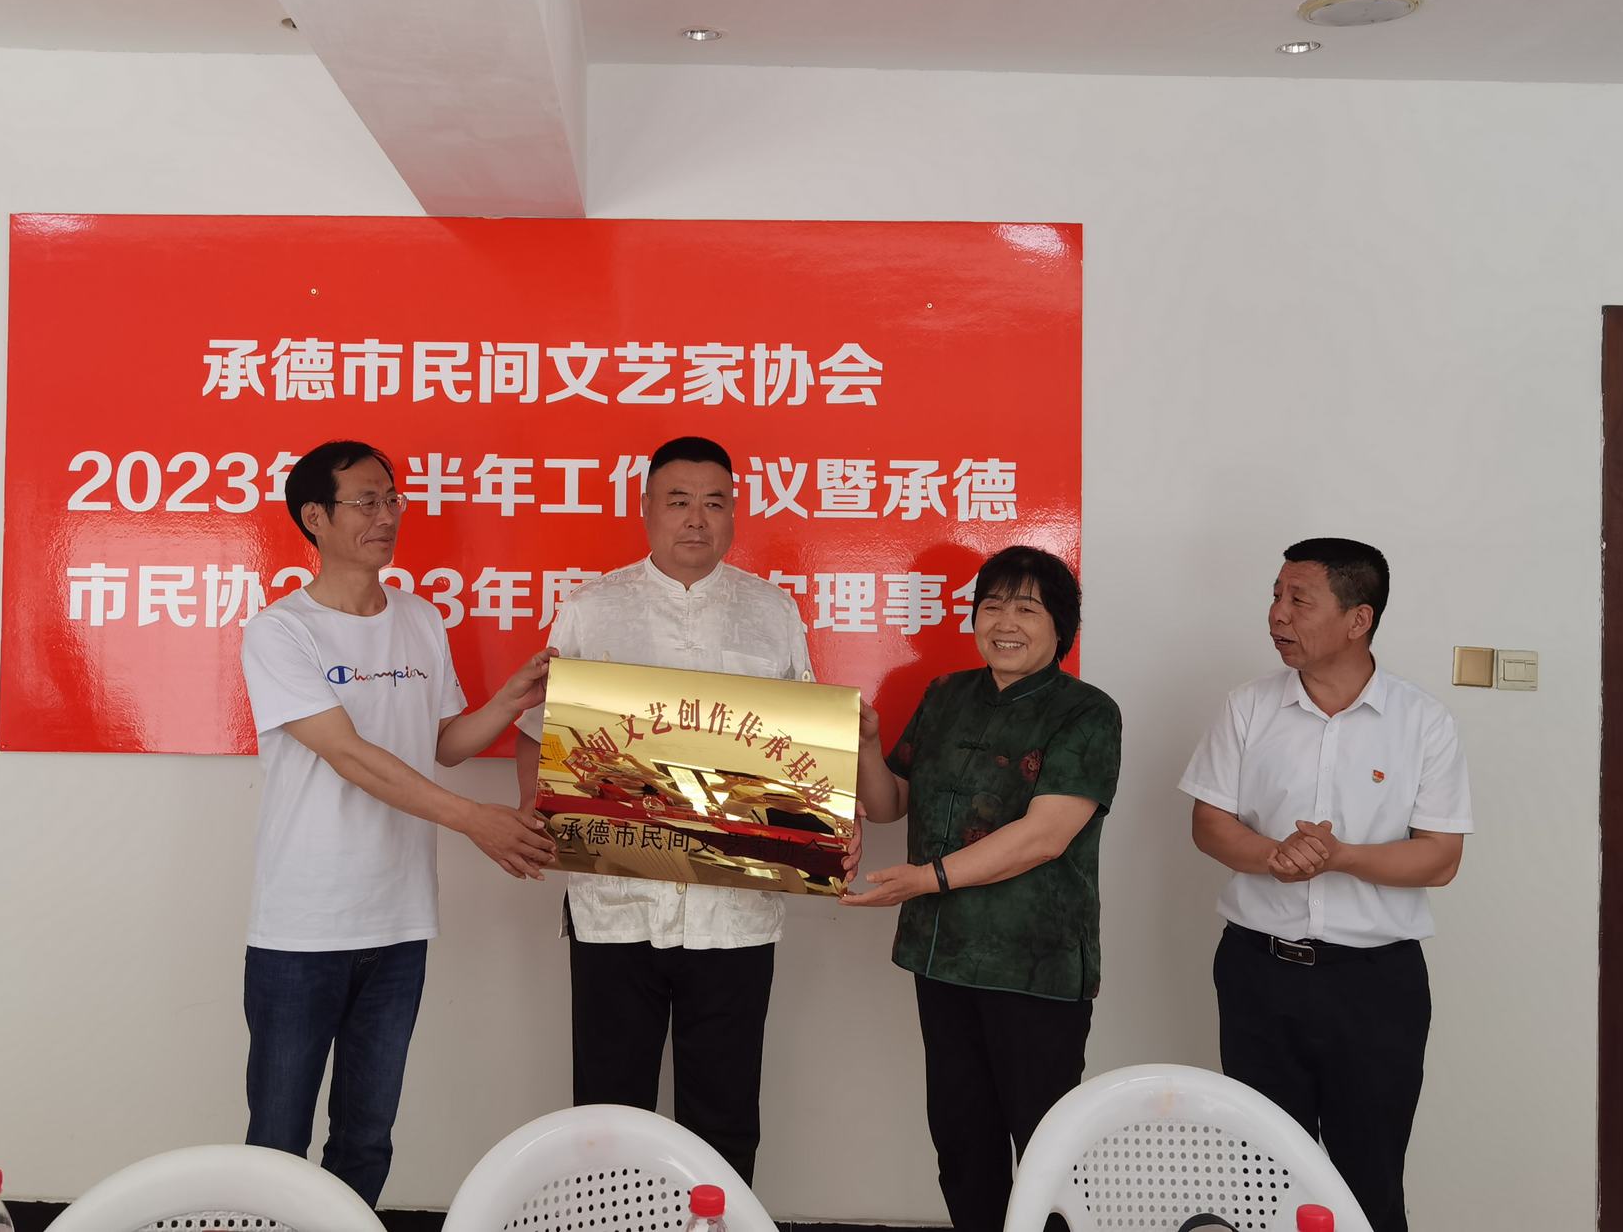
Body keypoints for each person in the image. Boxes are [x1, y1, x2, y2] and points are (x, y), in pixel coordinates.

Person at [239, 439, 555, 1206]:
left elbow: (442, 743)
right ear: (314, 518)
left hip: (399, 919)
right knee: (277, 1139)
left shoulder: (418, 618)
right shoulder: (281, 631)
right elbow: (349, 755)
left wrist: (509, 701)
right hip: (304, 926)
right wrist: (474, 821)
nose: (386, 516)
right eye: (365, 502)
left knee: (367, 1135)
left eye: (391, 499)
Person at [514, 435, 814, 1185]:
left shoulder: (771, 611)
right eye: (679, 501)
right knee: (609, 1112)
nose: (696, 519)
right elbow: (537, 731)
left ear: (735, 512)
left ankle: (717, 1224)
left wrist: (823, 823)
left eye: (715, 503)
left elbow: (802, 752)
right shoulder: (593, 609)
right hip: (615, 904)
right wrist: (539, 812)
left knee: (726, 1112)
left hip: (734, 909)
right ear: (646, 508)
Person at [1179, 538, 1472, 1232]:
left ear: (1358, 619)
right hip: (1258, 972)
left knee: (1368, 1180)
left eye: (1299, 600)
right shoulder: (1247, 707)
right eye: (1275, 597)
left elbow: (1440, 858)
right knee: (1261, 1180)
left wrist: (1339, 857)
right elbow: (1209, 824)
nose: (1277, 614)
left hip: (1375, 985)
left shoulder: (1422, 722)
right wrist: (1273, 854)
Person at [841, 545, 1120, 1232]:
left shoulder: (1086, 712)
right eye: (991, 605)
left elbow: (1044, 835)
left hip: (1035, 968)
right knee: (963, 1146)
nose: (1005, 622)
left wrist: (925, 879)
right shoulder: (946, 694)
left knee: (1047, 1151)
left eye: (1027, 608)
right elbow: (888, 804)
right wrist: (868, 745)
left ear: (1061, 626)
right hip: (942, 959)